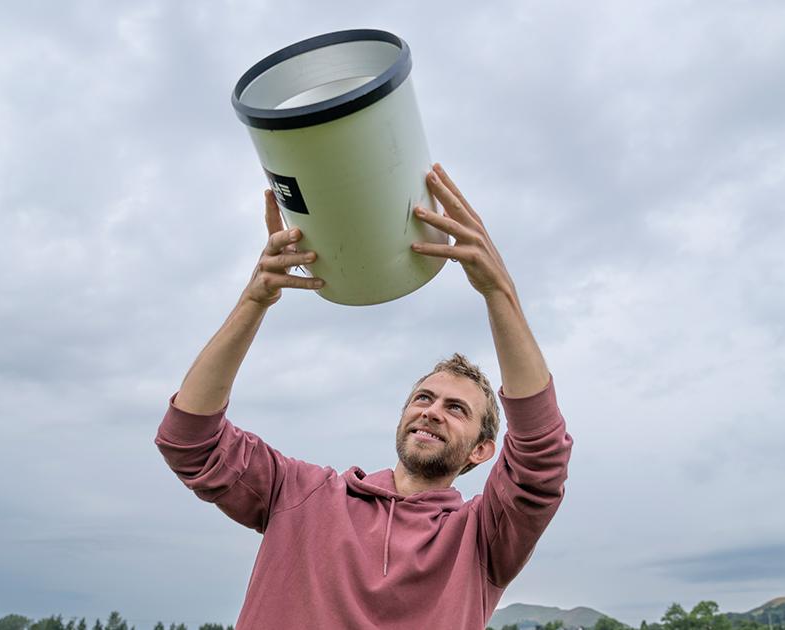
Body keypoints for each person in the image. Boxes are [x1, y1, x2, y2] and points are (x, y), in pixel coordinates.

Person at [155, 163, 573, 630]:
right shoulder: (302, 494)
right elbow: (189, 440)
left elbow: (541, 460)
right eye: (423, 398)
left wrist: (499, 291)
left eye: (456, 409)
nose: (432, 412)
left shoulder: (483, 539)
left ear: (482, 450)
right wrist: (254, 300)